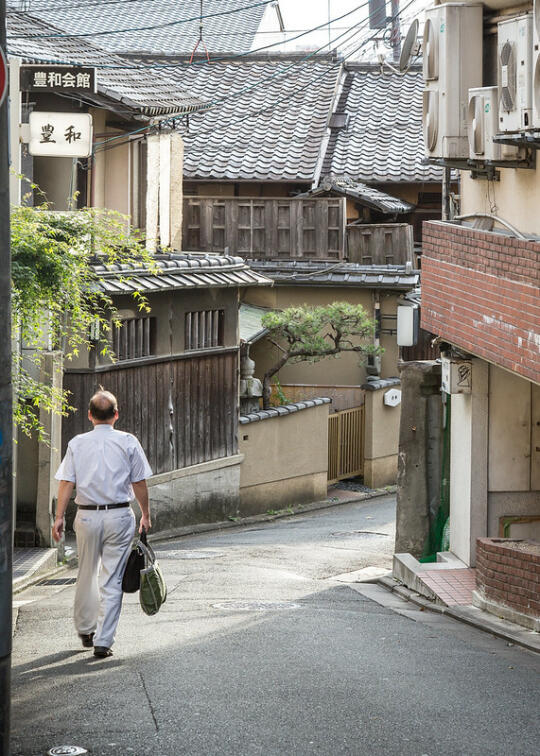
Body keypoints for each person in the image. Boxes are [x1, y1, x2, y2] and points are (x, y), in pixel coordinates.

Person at [52, 389, 152, 658]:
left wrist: (60, 516)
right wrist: (145, 513)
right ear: (116, 415)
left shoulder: (77, 443)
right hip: (119, 515)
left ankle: (86, 629)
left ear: (89, 416)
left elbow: (66, 482)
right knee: (112, 579)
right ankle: (104, 641)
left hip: (86, 515)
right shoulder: (128, 442)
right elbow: (139, 482)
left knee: (86, 573)